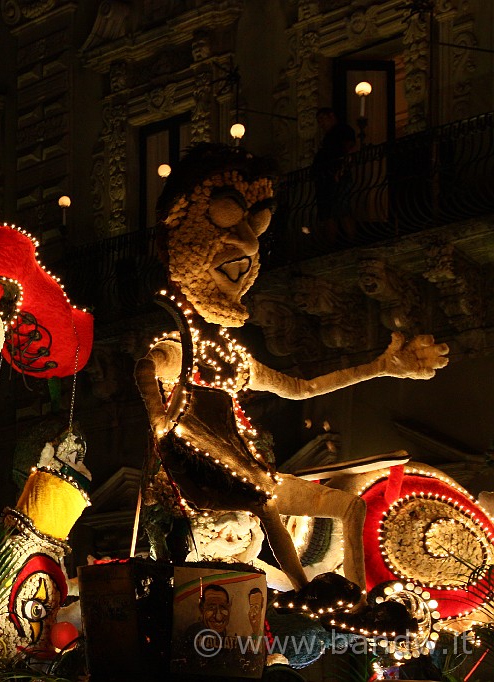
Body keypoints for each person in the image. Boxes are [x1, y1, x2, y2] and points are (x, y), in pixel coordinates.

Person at [135, 144, 448, 616]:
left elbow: (301, 388)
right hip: (204, 475)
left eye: (256, 224)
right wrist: (160, 420)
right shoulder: (183, 344)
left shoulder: (231, 354)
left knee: (348, 507)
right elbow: (148, 366)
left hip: (248, 473)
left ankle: (355, 599)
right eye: (227, 217)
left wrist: (382, 366)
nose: (249, 241)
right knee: (263, 498)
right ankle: (304, 590)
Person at [312, 107, 357, 242]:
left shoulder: (343, 131)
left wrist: (341, 169)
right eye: (318, 121)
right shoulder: (327, 138)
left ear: (331, 116)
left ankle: (352, 240)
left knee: (341, 209)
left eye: (322, 119)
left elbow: (349, 148)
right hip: (325, 178)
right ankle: (331, 242)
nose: (321, 124)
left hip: (337, 175)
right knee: (327, 213)